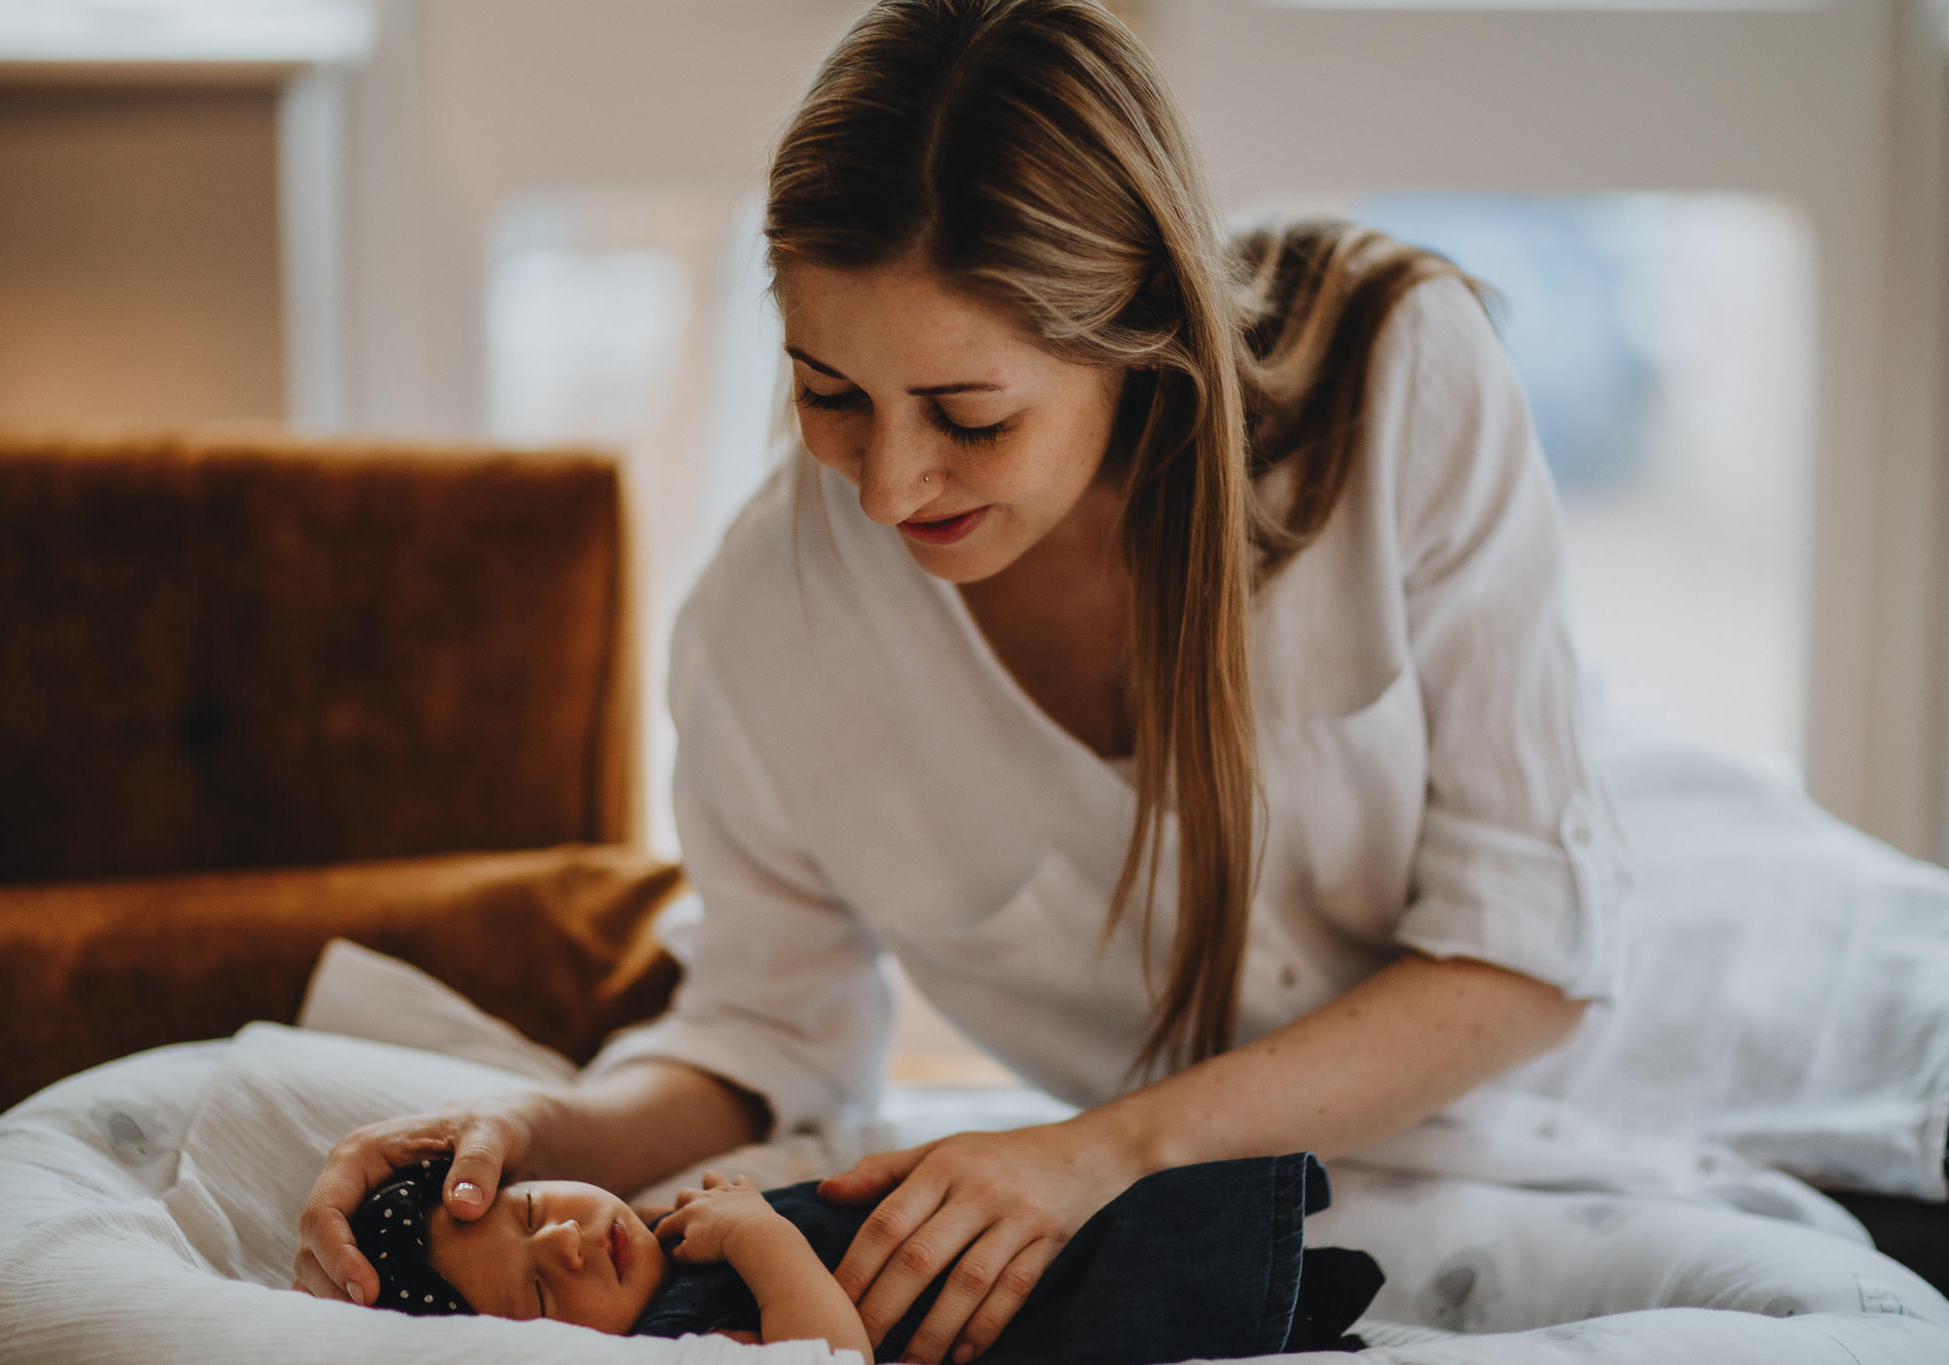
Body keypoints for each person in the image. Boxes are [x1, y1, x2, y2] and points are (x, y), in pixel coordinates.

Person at [295, 0, 1636, 1356]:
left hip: (1613, 1070)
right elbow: (769, 1028)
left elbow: (1528, 951)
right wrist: (531, 1129)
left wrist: (1104, 1149)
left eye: (970, 417)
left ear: (1139, 326)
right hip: (1248, 1215)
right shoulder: (772, 620)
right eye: (828, 393)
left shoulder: (1394, 380)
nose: (885, 489)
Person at [349, 1157, 1381, 1358]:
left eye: (532, 1206)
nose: (567, 1240)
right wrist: (757, 1235)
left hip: (1053, 1228)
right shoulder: (681, 1340)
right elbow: (825, 1360)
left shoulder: (660, 1242)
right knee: (1208, 1278)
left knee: (1176, 1209)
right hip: (1065, 1309)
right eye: (537, 1287)